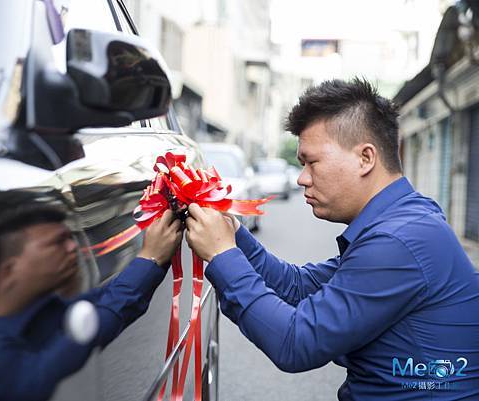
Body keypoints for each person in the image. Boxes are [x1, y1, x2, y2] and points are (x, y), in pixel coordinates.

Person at [185, 78, 479, 400]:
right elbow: (295, 287)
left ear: (365, 158)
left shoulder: (400, 241)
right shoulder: (401, 220)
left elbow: (295, 344)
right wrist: (235, 233)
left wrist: (222, 254)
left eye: (312, 162)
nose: (301, 178)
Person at [0, 206, 181, 401]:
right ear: (9, 271)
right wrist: (150, 259)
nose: (73, 246)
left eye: (70, 238)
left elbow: (105, 298)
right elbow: (95, 324)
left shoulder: (44, 311)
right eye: (57, 242)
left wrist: (151, 259)